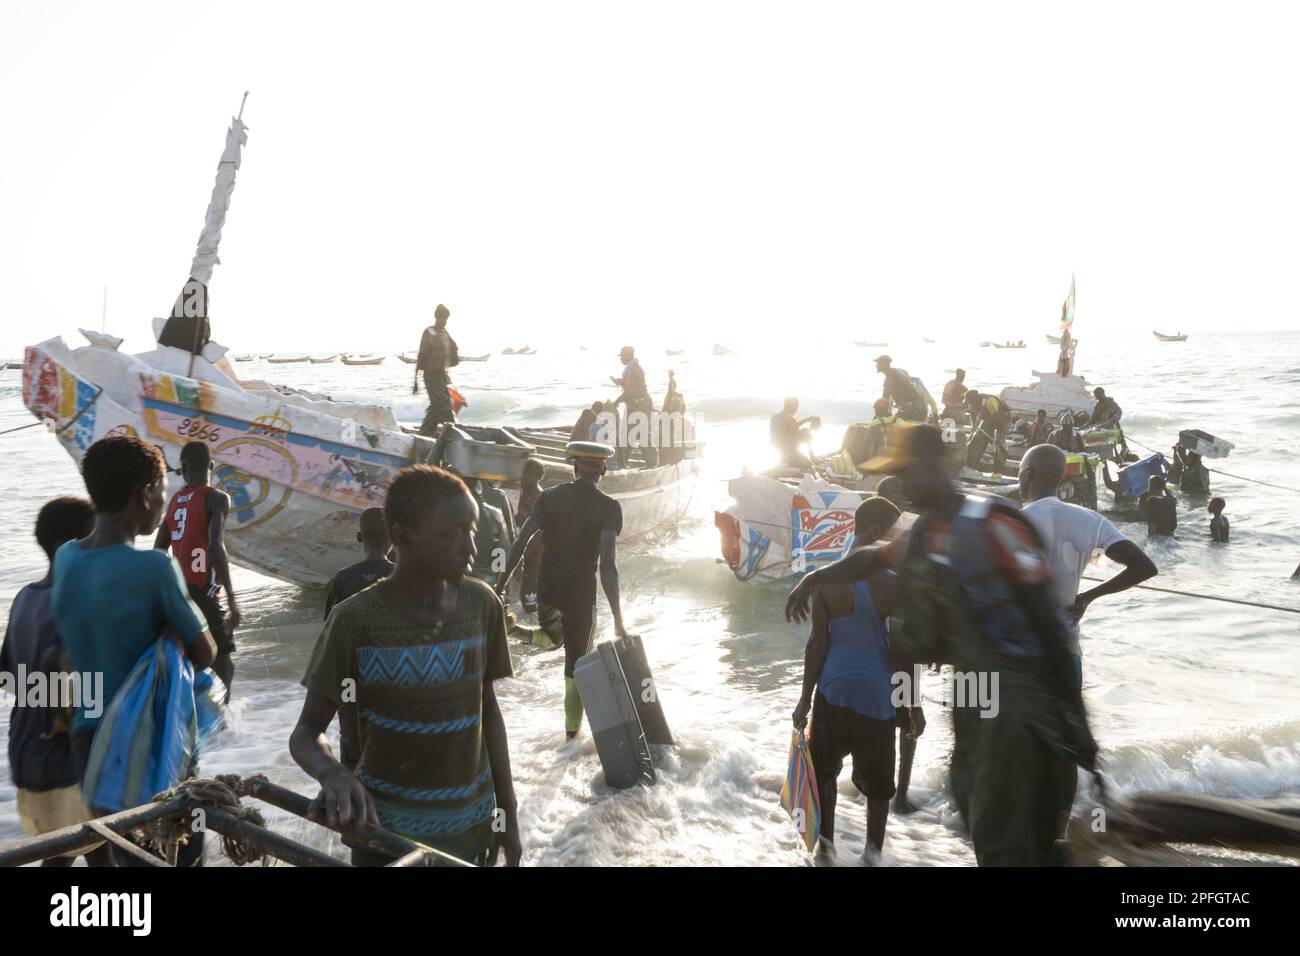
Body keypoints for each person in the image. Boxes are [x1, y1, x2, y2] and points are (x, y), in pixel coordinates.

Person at [785, 426, 1096, 867]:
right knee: (973, 802)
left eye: (907, 473)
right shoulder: (930, 531)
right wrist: (814, 578)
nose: (903, 487)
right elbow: (874, 558)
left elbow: (1047, 621)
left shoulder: (993, 521)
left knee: (1005, 820)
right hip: (971, 689)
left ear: (935, 466)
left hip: (1018, 697)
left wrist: (1075, 719)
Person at [290, 465, 521, 866]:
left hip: (471, 830)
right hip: (384, 837)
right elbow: (307, 733)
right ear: (402, 537)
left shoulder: (482, 605)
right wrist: (331, 772)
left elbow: (489, 710)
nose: (470, 547)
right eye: (453, 534)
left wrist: (508, 815)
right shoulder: (354, 621)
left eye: (471, 530)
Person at [53, 436, 217, 866]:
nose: (163, 501)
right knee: (178, 852)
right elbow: (206, 652)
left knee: (127, 858)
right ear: (145, 493)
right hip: (145, 744)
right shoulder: (155, 567)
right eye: (162, 490)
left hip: (88, 744)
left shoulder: (66, 558)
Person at [791, 496, 925, 861]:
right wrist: (913, 707)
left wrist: (805, 699)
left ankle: (828, 847)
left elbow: (818, 642)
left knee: (825, 773)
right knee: (880, 788)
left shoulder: (825, 580)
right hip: (877, 696)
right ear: (876, 533)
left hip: (832, 689)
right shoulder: (894, 584)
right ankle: (872, 854)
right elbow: (905, 651)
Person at [1, 496, 107, 867]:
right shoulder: (79, 602)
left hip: (25, 751)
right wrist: (68, 713)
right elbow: (61, 666)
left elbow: (8, 676)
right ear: (73, 547)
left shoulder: (24, 599)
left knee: (59, 853)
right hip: (70, 754)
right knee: (103, 849)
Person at [498, 442, 626, 740]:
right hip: (579, 595)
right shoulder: (608, 507)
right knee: (576, 669)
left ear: (573, 466)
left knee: (554, 638)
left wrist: (499, 586)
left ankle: (514, 631)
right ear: (604, 469)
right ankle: (571, 739)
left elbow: (521, 542)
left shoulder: (549, 498)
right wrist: (619, 619)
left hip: (548, 589)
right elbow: (607, 565)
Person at [1018, 445, 1157, 687]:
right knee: (1067, 724)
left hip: (1017, 651)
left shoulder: (1011, 521)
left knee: (996, 718)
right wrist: (1088, 596)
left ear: (1027, 474)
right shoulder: (1091, 520)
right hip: (1065, 650)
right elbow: (1144, 567)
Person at [154, 440, 240, 697]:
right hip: (203, 589)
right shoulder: (216, 498)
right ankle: (224, 727)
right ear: (211, 465)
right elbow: (215, 547)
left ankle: (193, 716)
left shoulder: (175, 503)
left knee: (194, 658)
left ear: (183, 468)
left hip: (179, 591)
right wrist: (233, 601)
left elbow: (159, 551)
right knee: (223, 661)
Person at [323, 507, 394, 619]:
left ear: (359, 537)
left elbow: (330, 623)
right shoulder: (404, 576)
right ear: (392, 537)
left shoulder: (342, 577)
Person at [413, 304, 460, 436]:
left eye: (445, 318)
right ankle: (452, 433)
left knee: (437, 405)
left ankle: (426, 432)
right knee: (444, 404)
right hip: (430, 375)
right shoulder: (429, 332)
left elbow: (453, 348)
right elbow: (421, 356)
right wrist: (415, 382)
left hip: (441, 375)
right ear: (436, 317)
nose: (443, 321)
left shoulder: (445, 333)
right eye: (441, 318)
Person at [611, 346, 657, 467]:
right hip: (640, 404)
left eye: (622, 357)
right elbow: (632, 385)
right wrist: (620, 381)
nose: (620, 359)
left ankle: (623, 462)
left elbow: (630, 391)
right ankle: (624, 461)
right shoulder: (633, 367)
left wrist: (616, 401)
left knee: (633, 434)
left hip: (639, 405)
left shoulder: (631, 369)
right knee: (633, 434)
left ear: (628, 356)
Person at [515, 458, 547, 614]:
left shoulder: (538, 497)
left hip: (535, 548)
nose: (524, 477)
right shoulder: (525, 491)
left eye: (528, 474)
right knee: (526, 584)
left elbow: (539, 533)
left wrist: (523, 555)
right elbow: (521, 517)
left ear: (537, 477)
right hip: (524, 544)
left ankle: (532, 618)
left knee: (530, 584)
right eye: (523, 473)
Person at [770, 397, 820, 471]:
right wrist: (810, 429)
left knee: (803, 432)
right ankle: (812, 457)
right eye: (796, 406)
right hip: (787, 451)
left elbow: (792, 426)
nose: (797, 409)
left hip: (778, 447)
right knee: (806, 434)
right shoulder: (788, 418)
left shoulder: (777, 415)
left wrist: (807, 420)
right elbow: (797, 431)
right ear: (790, 406)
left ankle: (809, 458)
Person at [874, 355, 927, 422]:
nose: (876, 365)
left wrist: (876, 419)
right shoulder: (899, 371)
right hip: (921, 404)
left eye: (878, 363)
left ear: (883, 365)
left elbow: (884, 403)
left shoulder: (889, 379)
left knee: (896, 426)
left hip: (912, 408)